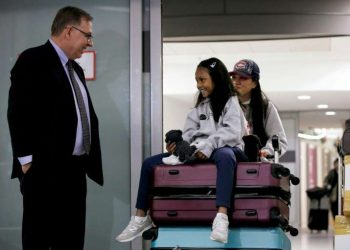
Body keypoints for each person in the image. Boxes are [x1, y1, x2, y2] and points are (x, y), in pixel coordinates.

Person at [116, 57, 248, 244]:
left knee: (225, 156)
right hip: (199, 150)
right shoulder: (199, 106)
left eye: (202, 79)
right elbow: (189, 132)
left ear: (216, 79)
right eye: (196, 80)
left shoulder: (231, 101)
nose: (198, 85)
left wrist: (208, 145)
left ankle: (221, 218)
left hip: (225, 148)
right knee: (149, 163)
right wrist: (178, 145)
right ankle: (140, 217)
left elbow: (232, 132)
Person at [7, 6, 103, 250]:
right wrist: (27, 162)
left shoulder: (76, 69)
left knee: (71, 240)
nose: (89, 42)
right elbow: (18, 113)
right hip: (43, 170)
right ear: (69, 30)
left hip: (74, 170)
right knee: (39, 240)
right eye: (87, 35)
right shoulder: (33, 59)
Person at [229, 59, 287, 158]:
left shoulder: (266, 107)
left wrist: (266, 151)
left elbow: (279, 140)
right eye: (234, 77)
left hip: (258, 164)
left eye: (243, 77)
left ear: (254, 83)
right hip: (230, 161)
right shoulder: (225, 106)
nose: (236, 82)